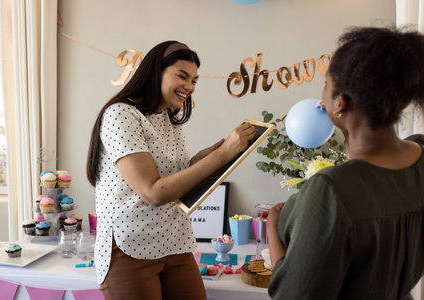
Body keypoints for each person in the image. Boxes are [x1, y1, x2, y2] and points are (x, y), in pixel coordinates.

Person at [86, 40, 255, 300]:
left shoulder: (168, 118)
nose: (189, 86)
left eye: (195, 80)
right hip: (130, 246)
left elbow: (172, 176)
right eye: (182, 76)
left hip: (174, 240)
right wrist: (223, 153)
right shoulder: (120, 114)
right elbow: (153, 192)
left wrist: (207, 157)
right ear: (156, 72)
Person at [266, 27, 424, 300]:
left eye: (325, 85)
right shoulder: (421, 152)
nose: (321, 96)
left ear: (340, 103)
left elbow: (293, 293)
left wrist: (272, 227)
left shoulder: (331, 189)